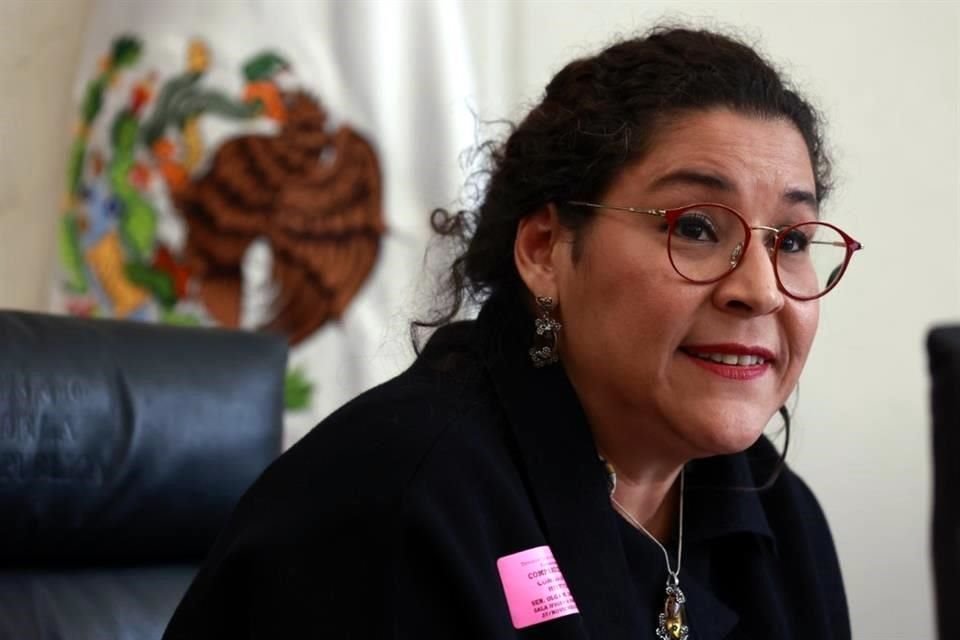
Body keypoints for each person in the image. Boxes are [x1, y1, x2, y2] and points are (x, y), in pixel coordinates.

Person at [164, 26, 860, 639]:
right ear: (544, 250)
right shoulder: (397, 503)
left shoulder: (778, 514)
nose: (761, 289)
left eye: (793, 240)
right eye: (697, 227)